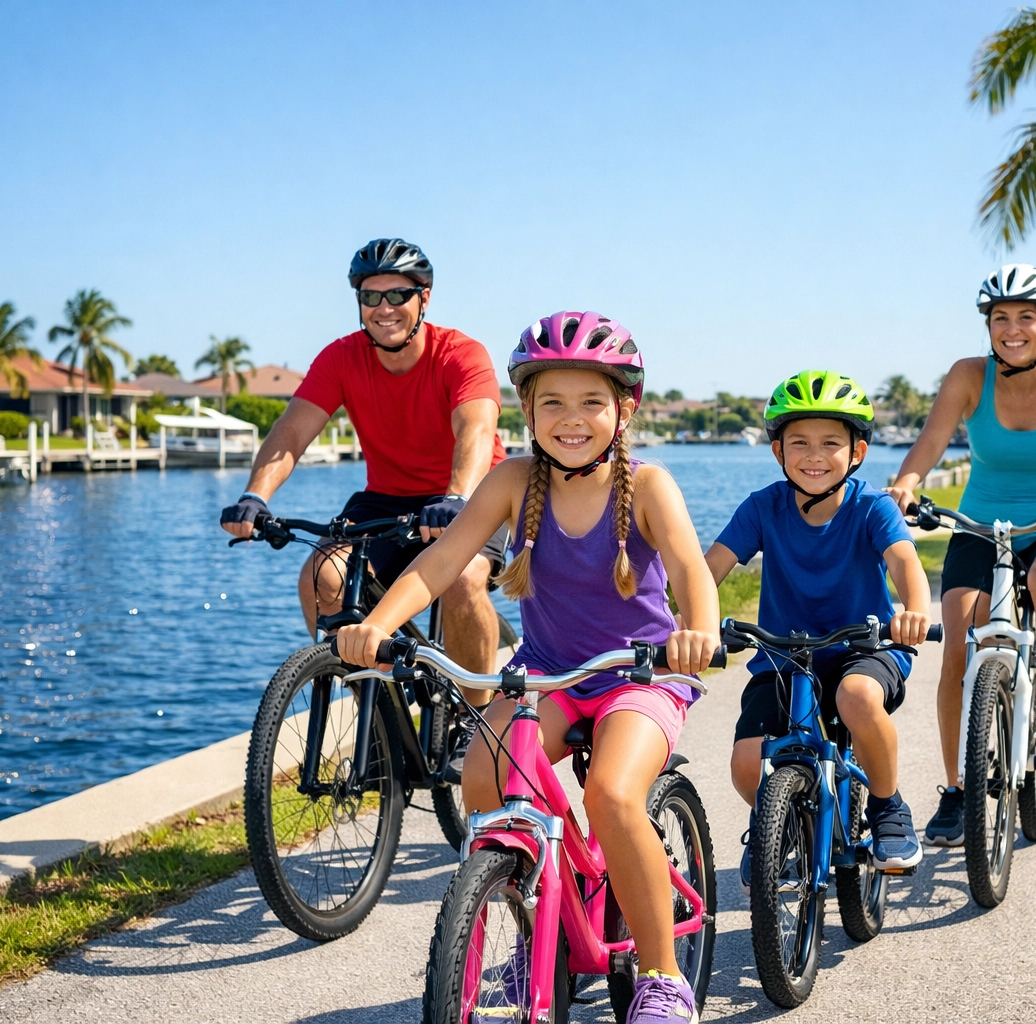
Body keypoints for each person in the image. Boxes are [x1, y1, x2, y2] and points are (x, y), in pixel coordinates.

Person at [335, 311, 720, 1024]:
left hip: (641, 674)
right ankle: (536, 909)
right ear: (528, 411)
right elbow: (442, 561)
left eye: (590, 402)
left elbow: (695, 573)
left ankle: (664, 976)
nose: (571, 420)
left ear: (624, 407)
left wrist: (697, 634)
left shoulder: (649, 484)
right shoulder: (514, 479)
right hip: (548, 673)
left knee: (610, 794)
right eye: (553, 403)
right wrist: (377, 624)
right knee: (480, 775)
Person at [220, 238, 508, 779]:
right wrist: (256, 495)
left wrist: (457, 497)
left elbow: (476, 428)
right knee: (321, 577)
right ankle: (379, 713)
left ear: (424, 299)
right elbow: (292, 432)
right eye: (371, 296)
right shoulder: (342, 357)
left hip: (468, 491)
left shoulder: (461, 353)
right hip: (387, 495)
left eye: (398, 294)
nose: (384, 308)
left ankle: (474, 718)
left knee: (465, 578)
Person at [885, 264, 1036, 847]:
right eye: (1001, 318)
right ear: (989, 327)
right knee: (958, 642)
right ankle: (956, 790)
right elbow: (930, 441)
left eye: (1026, 317)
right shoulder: (968, 376)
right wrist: (908, 482)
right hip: (980, 526)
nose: (1012, 329)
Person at [705, 371, 932, 894]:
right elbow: (708, 568)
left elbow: (904, 564)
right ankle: (786, 825)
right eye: (799, 443)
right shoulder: (764, 507)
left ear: (856, 451)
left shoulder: (870, 506)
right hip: (784, 657)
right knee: (747, 762)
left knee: (856, 696)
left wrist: (915, 611)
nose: (814, 455)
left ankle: (886, 805)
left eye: (831, 443)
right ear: (778, 450)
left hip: (865, 647)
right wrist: (691, 622)